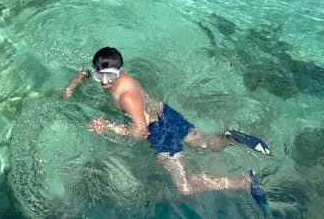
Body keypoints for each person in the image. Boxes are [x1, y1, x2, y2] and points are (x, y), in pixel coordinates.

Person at [62, 47, 270, 209]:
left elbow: (140, 132)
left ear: (120, 72)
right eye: (100, 76)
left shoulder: (127, 97)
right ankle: (230, 137)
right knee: (206, 144)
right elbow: (84, 72)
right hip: (166, 113)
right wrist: (71, 88)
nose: (105, 82)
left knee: (185, 187)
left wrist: (109, 127)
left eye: (110, 77)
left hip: (158, 131)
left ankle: (244, 181)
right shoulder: (106, 71)